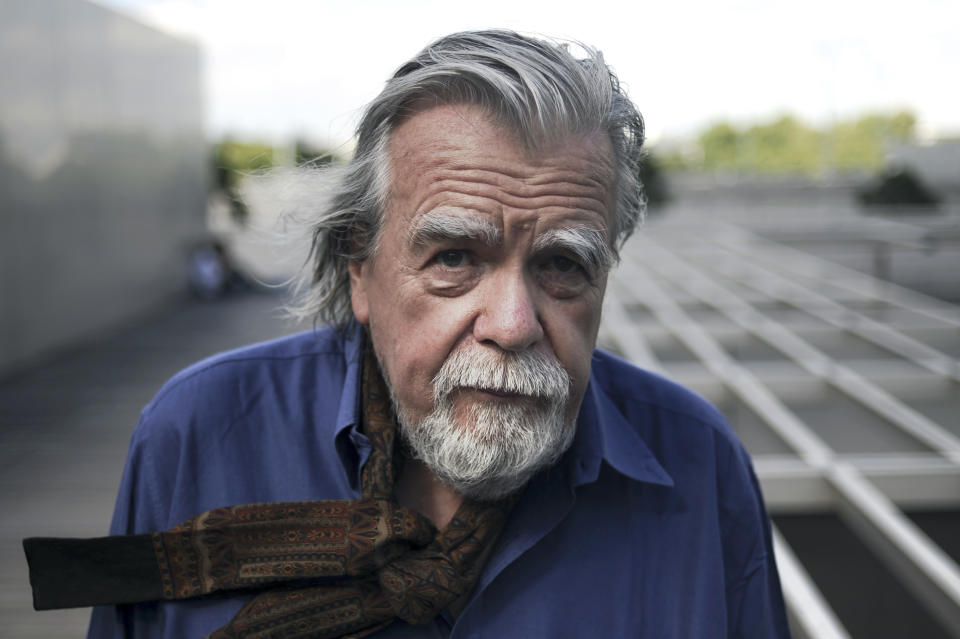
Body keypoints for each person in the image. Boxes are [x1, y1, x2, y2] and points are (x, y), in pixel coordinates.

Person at [82, 30, 790, 638]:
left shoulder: (699, 466)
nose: (512, 325)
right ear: (360, 268)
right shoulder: (196, 434)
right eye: (455, 258)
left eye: (562, 265)